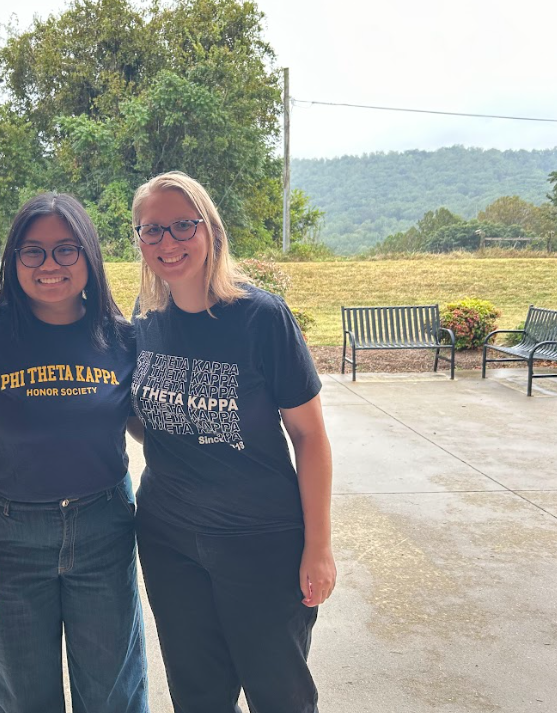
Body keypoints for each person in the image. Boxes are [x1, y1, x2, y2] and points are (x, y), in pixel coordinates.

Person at [0, 193, 148, 713]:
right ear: (14, 260)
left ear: (89, 257)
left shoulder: (121, 338)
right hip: (9, 538)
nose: (50, 265)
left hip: (104, 530)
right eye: (33, 252)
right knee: (20, 695)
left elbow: (149, 425)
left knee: (113, 693)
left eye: (66, 249)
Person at [128, 171, 336, 713]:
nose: (168, 243)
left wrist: (319, 547)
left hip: (260, 542)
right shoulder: (145, 318)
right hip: (168, 538)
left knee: (279, 694)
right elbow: (151, 419)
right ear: (139, 241)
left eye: (181, 226)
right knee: (197, 695)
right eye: (152, 231)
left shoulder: (260, 318)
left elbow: (310, 437)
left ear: (210, 231)